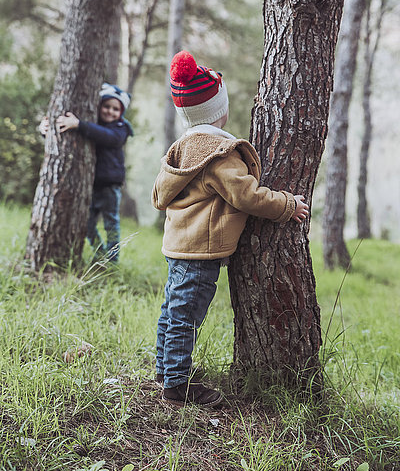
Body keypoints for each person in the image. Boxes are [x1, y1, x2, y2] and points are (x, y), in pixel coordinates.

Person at [152, 51, 309, 408]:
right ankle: (176, 384)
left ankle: (164, 369)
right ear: (217, 111)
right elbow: (246, 195)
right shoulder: (219, 155)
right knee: (185, 314)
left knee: (172, 310)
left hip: (179, 245)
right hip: (200, 251)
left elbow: (159, 195)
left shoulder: (183, 148)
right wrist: (286, 205)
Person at [40, 83, 133, 262]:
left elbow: (109, 137)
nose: (110, 112)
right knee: (87, 223)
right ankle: (100, 255)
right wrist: (45, 130)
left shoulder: (121, 128)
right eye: (106, 106)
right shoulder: (93, 125)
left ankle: (112, 260)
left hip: (110, 185)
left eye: (116, 109)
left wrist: (79, 124)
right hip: (90, 185)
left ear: (121, 112)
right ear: (98, 106)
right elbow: (68, 138)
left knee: (111, 223)